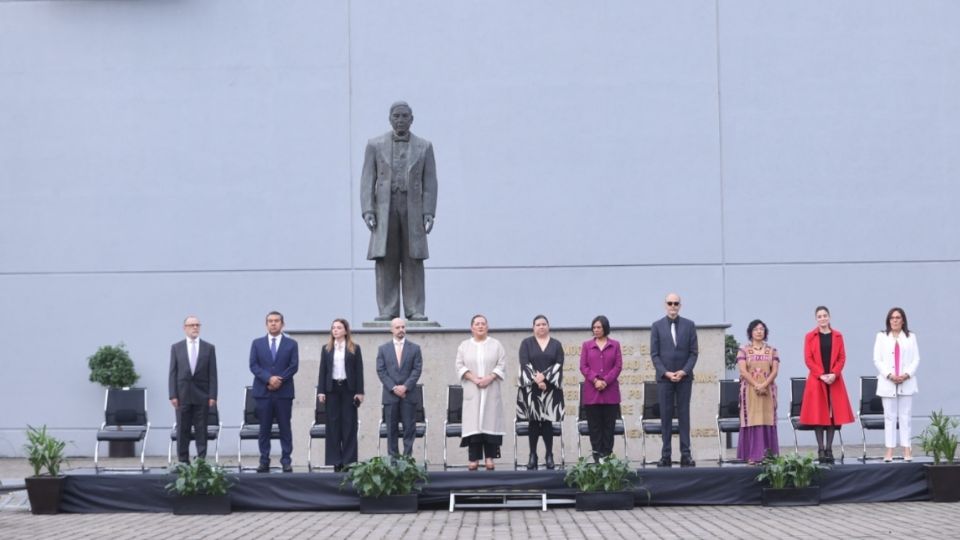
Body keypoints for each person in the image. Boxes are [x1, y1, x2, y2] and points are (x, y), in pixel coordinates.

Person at [360, 101, 438, 321]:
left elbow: (430, 182)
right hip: (385, 208)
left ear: (411, 119)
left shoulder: (424, 146)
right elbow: (367, 180)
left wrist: (429, 212)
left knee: (413, 259)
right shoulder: (374, 145)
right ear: (390, 118)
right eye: (396, 116)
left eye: (405, 116)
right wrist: (368, 210)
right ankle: (387, 309)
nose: (400, 120)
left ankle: (414, 309)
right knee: (386, 260)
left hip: (413, 208)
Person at [799, 305, 854, 464]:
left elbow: (842, 358)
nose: (822, 318)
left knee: (832, 415)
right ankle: (821, 449)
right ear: (816, 319)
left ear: (829, 317)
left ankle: (829, 448)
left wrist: (834, 374)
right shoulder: (809, 336)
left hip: (834, 380)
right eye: (819, 316)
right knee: (819, 415)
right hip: (817, 380)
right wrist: (821, 375)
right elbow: (808, 359)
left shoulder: (838, 336)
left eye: (825, 315)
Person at [650, 293, 699, 467]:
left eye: (676, 303)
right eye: (670, 303)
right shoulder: (656, 326)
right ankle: (666, 455)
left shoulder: (689, 325)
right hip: (665, 379)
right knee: (666, 416)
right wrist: (667, 373)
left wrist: (684, 371)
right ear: (665, 305)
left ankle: (686, 454)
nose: (673, 306)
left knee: (684, 416)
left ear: (680, 305)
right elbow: (654, 355)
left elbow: (694, 353)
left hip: (684, 379)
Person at [248, 311, 299, 473]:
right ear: (266, 324)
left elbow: (293, 366)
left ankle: (286, 460)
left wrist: (279, 380)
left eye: (276, 321)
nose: (273, 323)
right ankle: (264, 460)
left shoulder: (291, 344)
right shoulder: (257, 343)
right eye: (270, 321)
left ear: (282, 324)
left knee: (285, 427)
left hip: (283, 393)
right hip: (263, 393)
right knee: (264, 428)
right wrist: (269, 379)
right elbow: (253, 365)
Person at [456, 314, 507, 470]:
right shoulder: (464, 345)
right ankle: (474, 458)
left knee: (490, 424)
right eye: (477, 324)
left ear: (487, 326)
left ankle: (490, 458)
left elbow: (502, 364)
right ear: (472, 327)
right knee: (474, 426)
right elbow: (459, 365)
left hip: (490, 390)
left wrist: (489, 378)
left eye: (483, 323)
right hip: (473, 390)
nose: (480, 326)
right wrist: (474, 379)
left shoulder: (496, 345)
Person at [168, 315, 218, 464]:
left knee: (201, 428)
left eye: (197, 325)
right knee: (182, 428)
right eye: (192, 325)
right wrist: (173, 395)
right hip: (182, 395)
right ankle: (183, 460)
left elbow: (213, 374)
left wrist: (213, 395)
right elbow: (173, 372)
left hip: (202, 395)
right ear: (185, 328)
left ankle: (201, 460)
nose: (195, 327)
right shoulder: (177, 347)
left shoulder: (208, 348)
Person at [517, 314, 565, 470]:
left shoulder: (556, 344)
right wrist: (537, 380)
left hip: (550, 389)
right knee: (533, 422)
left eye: (544, 324)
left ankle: (549, 454)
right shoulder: (526, 343)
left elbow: (559, 363)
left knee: (547, 422)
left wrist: (545, 378)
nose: (541, 327)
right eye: (538, 324)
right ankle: (532, 455)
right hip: (532, 389)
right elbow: (524, 363)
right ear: (533, 327)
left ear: (548, 326)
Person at [873, 307, 920, 462]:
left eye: (898, 317)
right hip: (888, 382)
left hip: (906, 382)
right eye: (892, 318)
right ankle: (890, 450)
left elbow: (916, 359)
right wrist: (889, 375)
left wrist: (906, 375)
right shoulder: (881, 337)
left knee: (905, 416)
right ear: (888, 320)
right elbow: (877, 359)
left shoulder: (910, 337)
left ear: (903, 320)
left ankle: (907, 449)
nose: (895, 320)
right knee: (889, 417)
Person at [317, 318, 364, 471]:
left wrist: (359, 392)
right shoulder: (326, 349)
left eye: (338, 327)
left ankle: (349, 461)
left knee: (349, 425)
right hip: (332, 390)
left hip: (348, 389)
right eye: (333, 328)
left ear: (345, 330)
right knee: (333, 425)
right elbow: (322, 371)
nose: (335, 330)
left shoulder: (354, 348)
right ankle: (336, 460)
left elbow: (359, 371)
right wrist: (321, 391)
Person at [375, 317, 423, 457]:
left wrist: (405, 387)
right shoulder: (383, 349)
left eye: (403, 327)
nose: (401, 330)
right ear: (391, 329)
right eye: (397, 327)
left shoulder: (415, 348)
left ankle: (407, 460)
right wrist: (394, 388)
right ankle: (393, 460)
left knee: (409, 428)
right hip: (390, 396)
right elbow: (381, 371)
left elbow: (417, 370)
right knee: (391, 429)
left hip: (409, 395)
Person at [580, 315, 623, 462]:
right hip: (592, 393)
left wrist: (605, 381)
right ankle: (597, 458)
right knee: (595, 428)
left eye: (599, 327)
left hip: (610, 393)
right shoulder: (587, 345)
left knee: (608, 428)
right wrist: (595, 380)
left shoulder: (615, 345)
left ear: (605, 328)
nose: (596, 330)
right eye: (594, 327)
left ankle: (607, 458)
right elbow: (583, 367)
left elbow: (618, 366)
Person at [736, 319, 780, 463]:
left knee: (767, 419)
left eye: (761, 329)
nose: (759, 332)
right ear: (750, 332)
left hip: (767, 391)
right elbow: (743, 370)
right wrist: (756, 384)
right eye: (756, 329)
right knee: (752, 420)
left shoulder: (772, 350)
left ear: (765, 332)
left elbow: (774, 371)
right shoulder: (743, 350)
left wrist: (764, 385)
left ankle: (769, 455)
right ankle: (752, 455)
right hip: (750, 391)